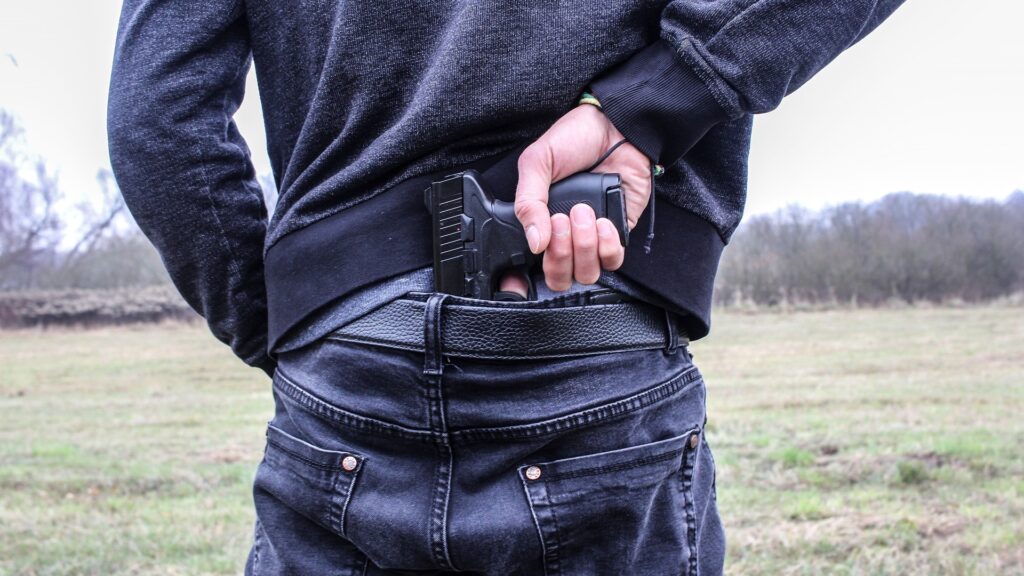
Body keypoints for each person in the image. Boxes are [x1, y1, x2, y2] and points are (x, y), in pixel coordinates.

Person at [107, 1, 905, 573]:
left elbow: (155, 120)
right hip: (599, 330)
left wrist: (301, 318)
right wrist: (656, 100)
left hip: (349, 356)